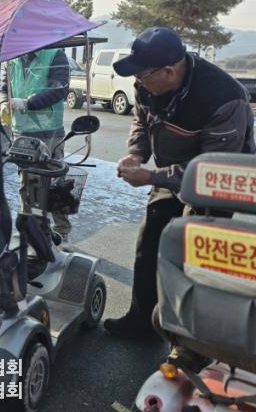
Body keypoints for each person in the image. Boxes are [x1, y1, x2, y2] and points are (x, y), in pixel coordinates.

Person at [104, 26, 255, 339]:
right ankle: (142, 322)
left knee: (196, 261)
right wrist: (136, 154)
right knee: (149, 245)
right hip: (168, 177)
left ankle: (192, 341)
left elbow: (211, 171)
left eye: (143, 75)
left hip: (216, 188)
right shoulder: (147, 84)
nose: (138, 82)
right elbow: (141, 121)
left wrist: (152, 176)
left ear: (169, 71)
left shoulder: (224, 97)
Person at [0, 48, 72, 242]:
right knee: (27, 182)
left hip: (49, 130)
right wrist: (4, 103)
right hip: (22, 130)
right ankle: (29, 228)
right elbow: (3, 88)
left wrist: (27, 103)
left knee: (56, 183)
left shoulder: (55, 54)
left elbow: (59, 88)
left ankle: (61, 231)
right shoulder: (11, 58)